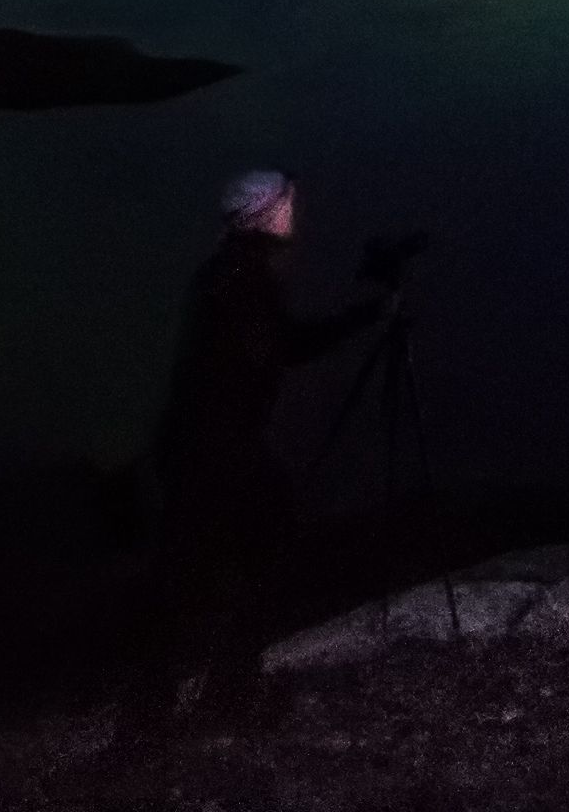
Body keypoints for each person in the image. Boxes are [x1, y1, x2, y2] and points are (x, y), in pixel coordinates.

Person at [124, 166, 397, 730]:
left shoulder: (226, 272)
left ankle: (169, 709)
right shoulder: (244, 279)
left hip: (196, 445)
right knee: (251, 556)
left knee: (191, 575)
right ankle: (219, 696)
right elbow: (271, 352)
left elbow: (274, 347)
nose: (294, 213)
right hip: (217, 447)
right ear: (269, 213)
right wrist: (360, 315)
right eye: (288, 204)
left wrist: (355, 317)